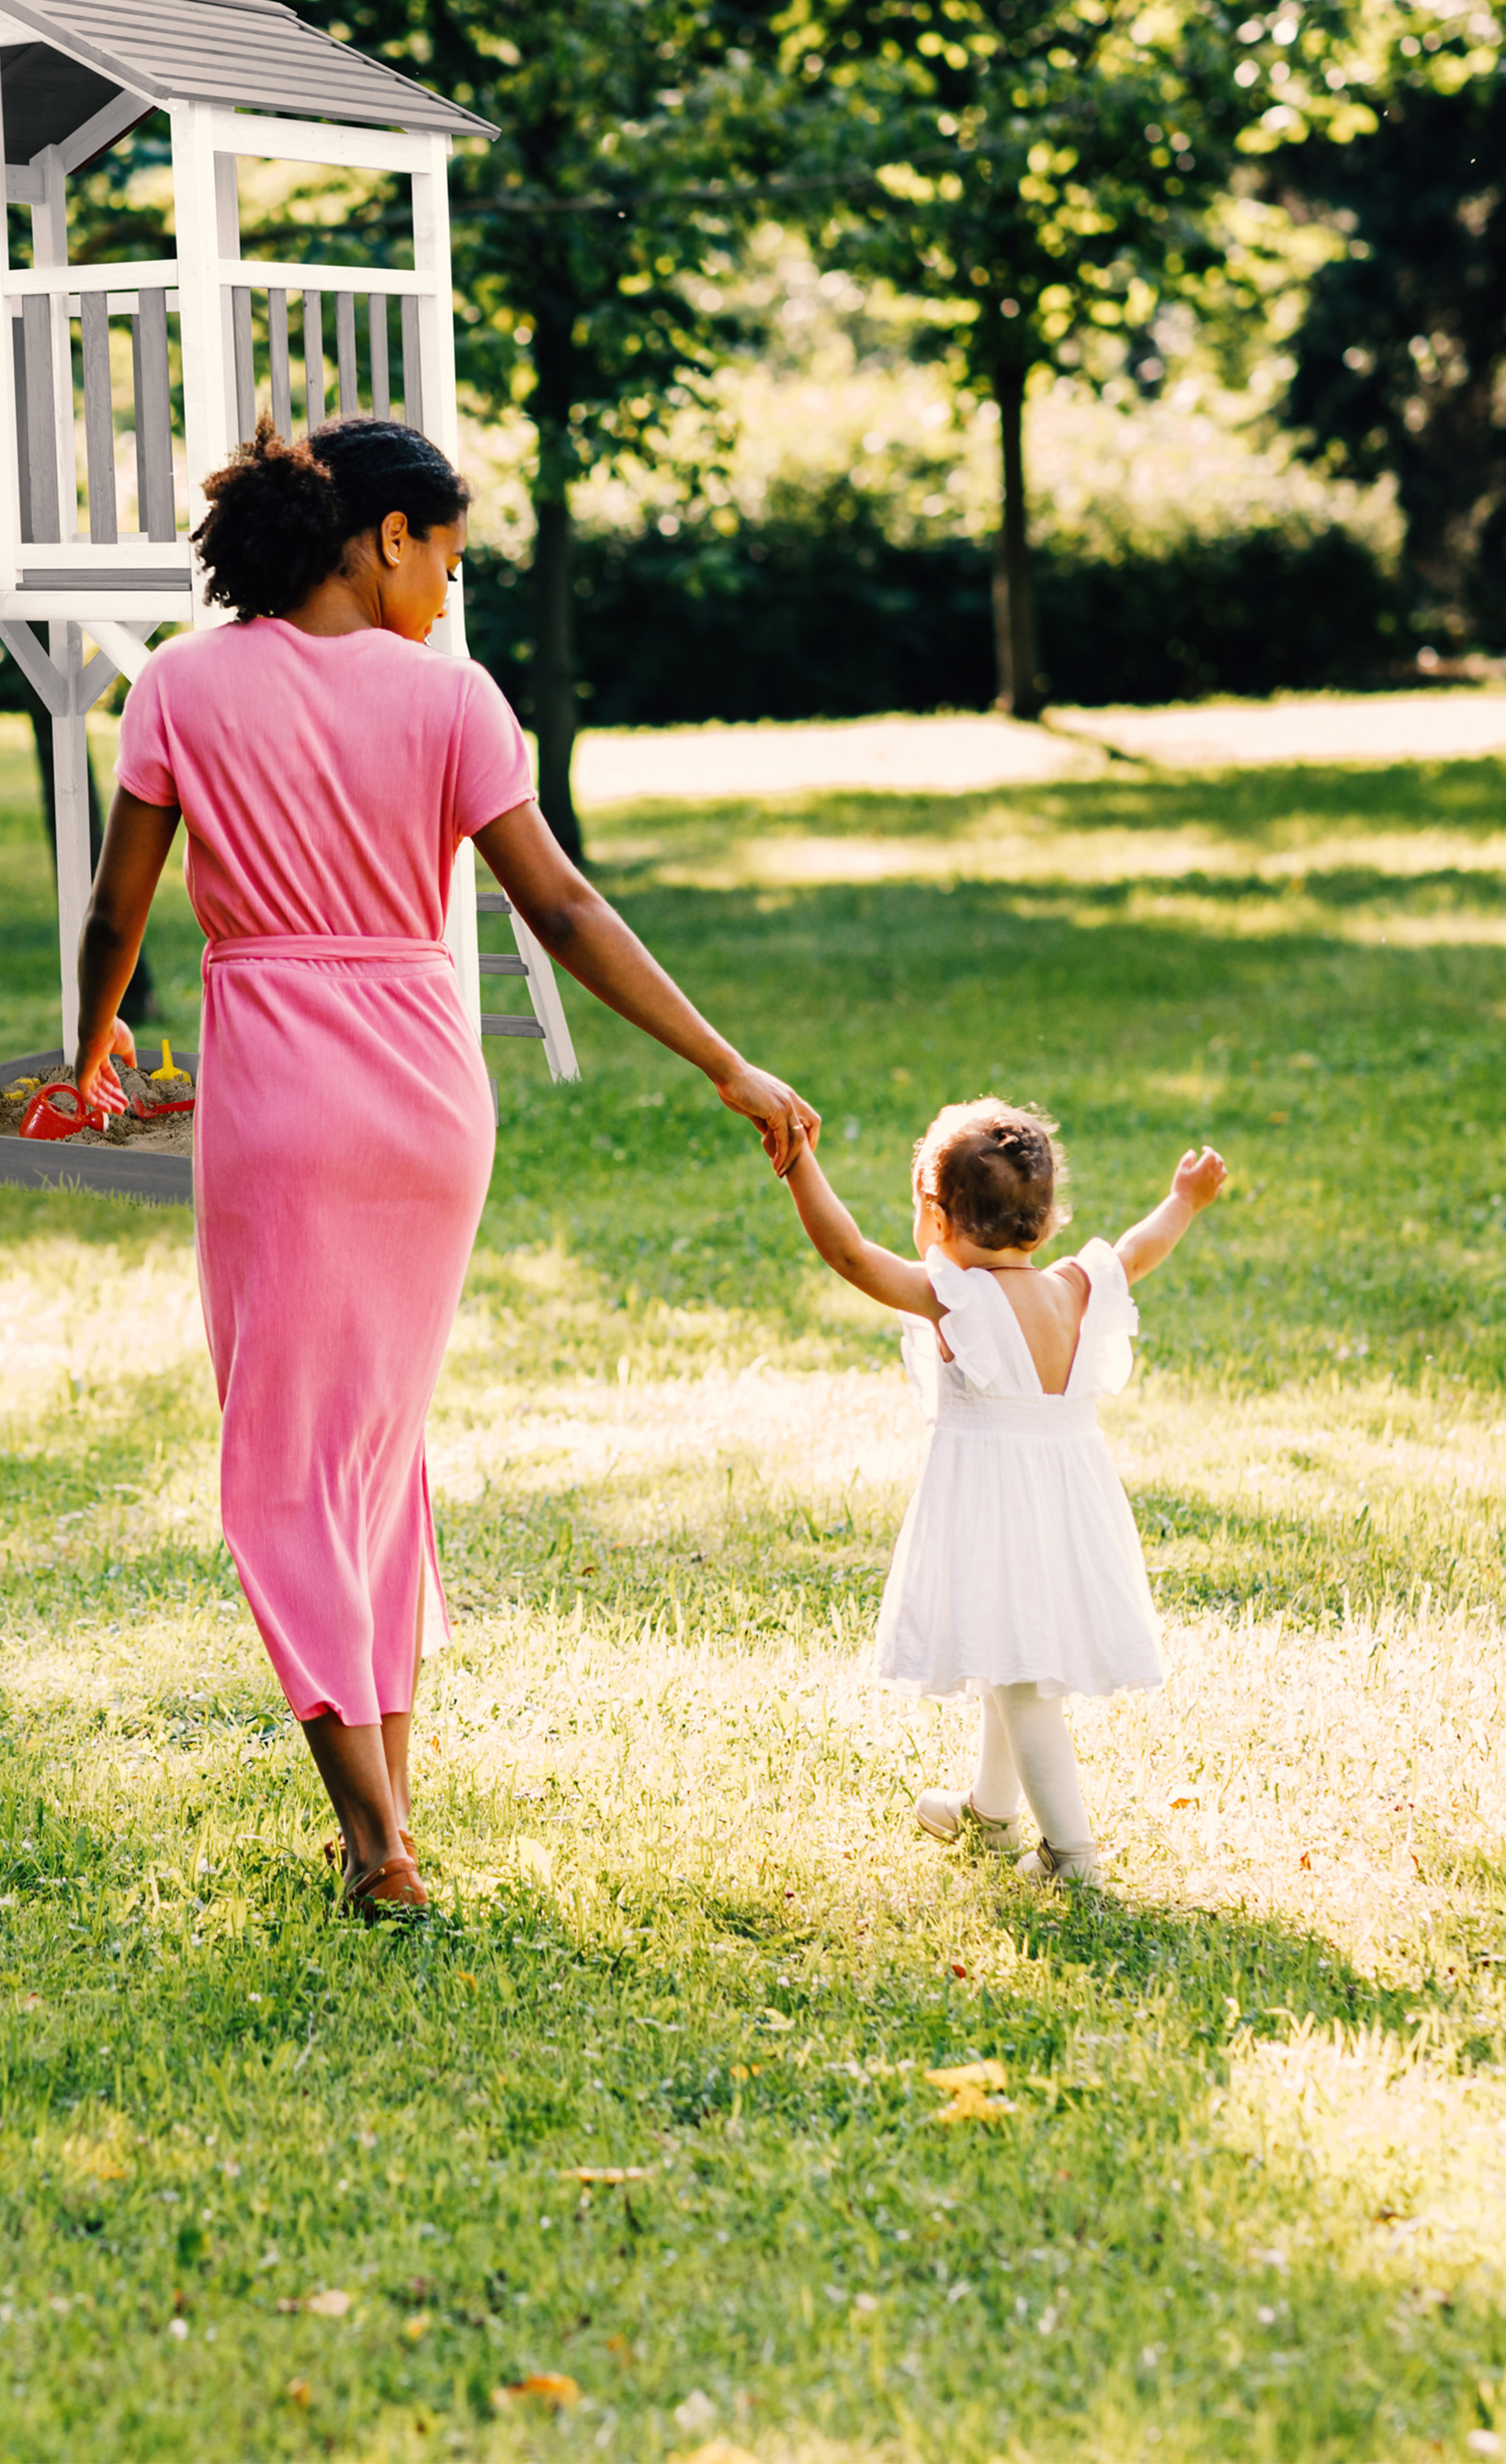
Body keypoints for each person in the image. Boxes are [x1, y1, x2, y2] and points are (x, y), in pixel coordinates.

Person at [67, 417, 819, 1919]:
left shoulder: (179, 685)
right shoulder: (454, 701)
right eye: (450, 559)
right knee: (374, 1456)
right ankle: (391, 1813)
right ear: (386, 536)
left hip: (278, 1100)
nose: (450, 593)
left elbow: (117, 912)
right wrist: (723, 1060)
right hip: (426, 1100)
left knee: (285, 1466)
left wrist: (87, 1050)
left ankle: (376, 1845)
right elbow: (563, 909)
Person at [776, 1100, 1229, 1886]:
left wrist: (798, 1163)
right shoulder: (1077, 1287)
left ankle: (1071, 1855)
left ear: (937, 1217)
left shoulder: (956, 1300)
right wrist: (1183, 1200)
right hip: (1068, 1505)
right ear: (1046, 1221)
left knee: (1021, 1682)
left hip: (996, 1509)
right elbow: (1138, 1248)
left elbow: (849, 1254)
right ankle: (990, 1812)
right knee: (1005, 1651)